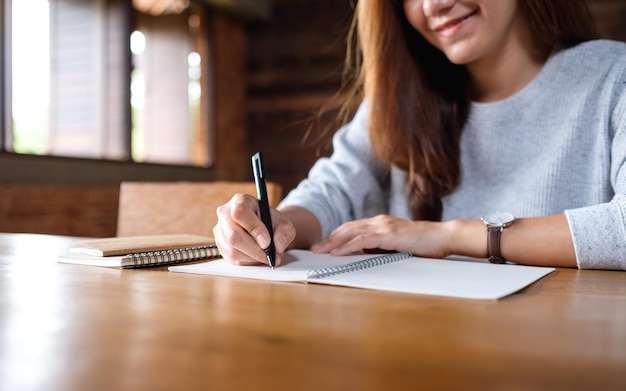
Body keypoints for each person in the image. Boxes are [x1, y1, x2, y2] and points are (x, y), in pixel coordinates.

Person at [213, 0, 626, 271]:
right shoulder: (400, 99)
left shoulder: (613, 77)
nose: (435, 5)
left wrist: (447, 236)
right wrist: (273, 225)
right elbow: (332, 191)